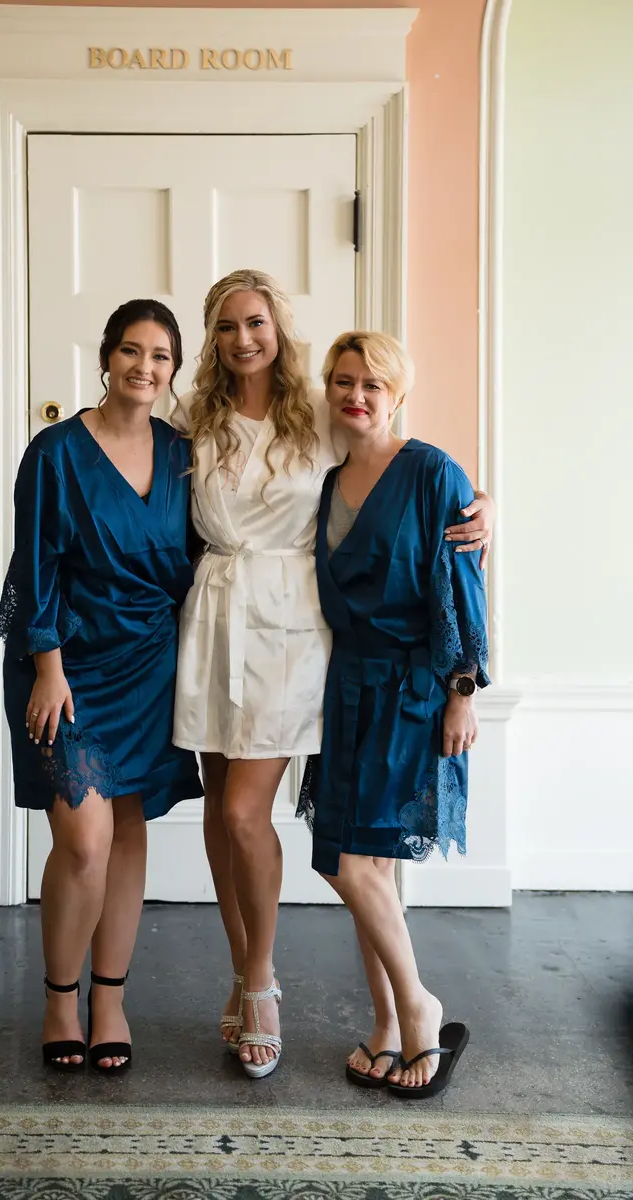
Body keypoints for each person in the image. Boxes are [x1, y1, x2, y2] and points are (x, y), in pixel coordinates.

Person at [171, 269, 495, 1079]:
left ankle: (263, 983)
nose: (242, 339)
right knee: (220, 805)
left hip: (292, 625)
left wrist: (487, 504)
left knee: (249, 812)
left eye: (256, 323)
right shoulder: (192, 420)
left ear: (277, 327)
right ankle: (249, 976)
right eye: (224, 326)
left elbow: (404, 463)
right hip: (212, 618)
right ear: (211, 338)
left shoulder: (314, 410)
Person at [0, 298, 202, 1073]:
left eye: (160, 356)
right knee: (84, 840)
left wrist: (471, 508)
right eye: (131, 351)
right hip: (70, 666)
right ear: (106, 358)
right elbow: (36, 566)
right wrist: (45, 666)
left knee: (129, 828)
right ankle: (58, 999)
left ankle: (108, 997)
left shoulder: (185, 453)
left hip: (152, 663)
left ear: (173, 370)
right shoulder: (55, 452)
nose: (144, 368)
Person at [297, 330, 489, 1099]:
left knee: (355, 864)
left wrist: (463, 690)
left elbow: (466, 587)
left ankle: (419, 1008)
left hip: (414, 688)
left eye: (373, 383)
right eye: (344, 381)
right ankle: (384, 1024)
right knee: (361, 863)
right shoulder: (328, 478)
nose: (357, 395)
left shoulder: (434, 471)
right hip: (346, 685)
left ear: (397, 392)